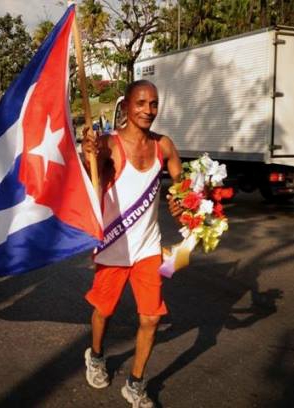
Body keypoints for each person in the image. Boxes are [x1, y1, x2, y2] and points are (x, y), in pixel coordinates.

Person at [81, 79, 183, 408]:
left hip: (149, 248)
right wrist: (88, 155)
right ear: (126, 106)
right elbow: (89, 171)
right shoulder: (109, 144)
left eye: (153, 104)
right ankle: (95, 356)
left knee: (151, 318)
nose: (148, 110)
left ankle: (135, 384)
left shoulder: (163, 145)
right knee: (104, 311)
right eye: (141, 103)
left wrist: (183, 200)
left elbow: (182, 184)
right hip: (113, 246)